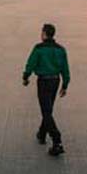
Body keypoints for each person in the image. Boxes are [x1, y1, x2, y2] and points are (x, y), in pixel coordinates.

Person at [22, 23, 70, 156]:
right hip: (55, 81)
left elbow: (30, 63)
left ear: (44, 34)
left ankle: (57, 141)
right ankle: (42, 133)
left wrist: (25, 77)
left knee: (46, 111)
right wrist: (65, 85)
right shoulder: (61, 49)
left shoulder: (39, 48)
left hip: (43, 81)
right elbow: (65, 69)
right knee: (48, 109)